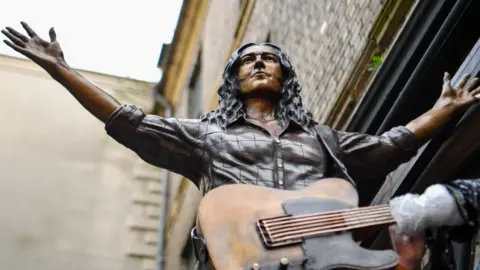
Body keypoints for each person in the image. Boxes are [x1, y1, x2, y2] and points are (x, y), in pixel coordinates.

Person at [2, 22, 480, 269]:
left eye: (269, 60)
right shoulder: (208, 136)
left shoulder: (323, 139)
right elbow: (131, 123)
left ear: (284, 78)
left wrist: (445, 108)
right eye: (247, 61)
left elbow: (387, 148)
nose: (258, 64)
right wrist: (61, 70)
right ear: (234, 79)